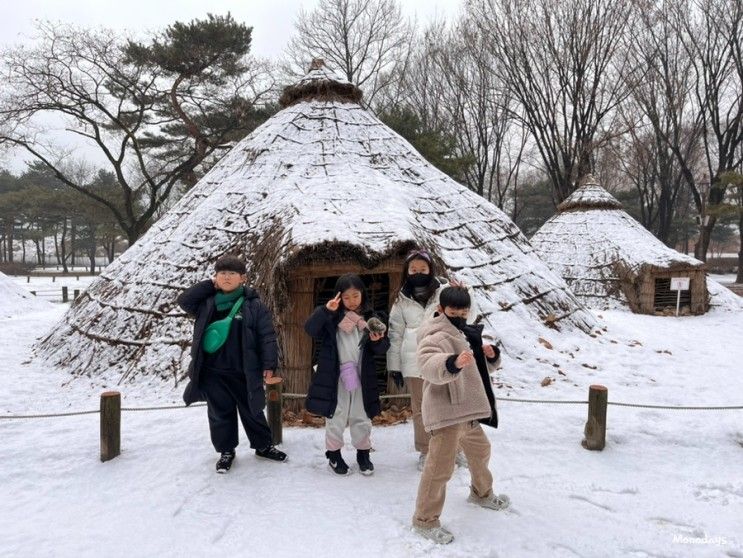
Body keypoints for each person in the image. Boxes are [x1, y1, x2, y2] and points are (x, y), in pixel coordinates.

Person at [412, 286, 509, 545]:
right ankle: (425, 519)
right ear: (442, 309)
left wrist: (490, 356)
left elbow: (475, 366)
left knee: (480, 452)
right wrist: (451, 363)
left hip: (468, 410)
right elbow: (428, 363)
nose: (459, 315)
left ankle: (481, 492)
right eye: (454, 311)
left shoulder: (464, 331)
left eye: (464, 311)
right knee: (440, 468)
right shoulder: (435, 334)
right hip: (447, 412)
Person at [177, 255, 287, 473]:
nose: (227, 277)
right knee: (220, 413)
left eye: (232, 273)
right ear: (216, 277)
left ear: (243, 278)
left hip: (244, 371)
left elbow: (267, 335)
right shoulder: (207, 304)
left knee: (252, 410)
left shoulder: (253, 305)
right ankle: (226, 451)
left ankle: (263, 446)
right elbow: (184, 301)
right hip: (213, 372)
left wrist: (268, 364)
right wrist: (209, 285)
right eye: (222, 273)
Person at [387, 249, 479, 471]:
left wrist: (467, 293)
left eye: (423, 269)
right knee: (421, 408)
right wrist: (394, 366)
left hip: (444, 356)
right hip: (414, 361)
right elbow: (395, 333)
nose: (418, 273)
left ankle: (455, 449)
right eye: (413, 270)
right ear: (406, 272)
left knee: (451, 403)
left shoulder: (445, 292)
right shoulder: (401, 299)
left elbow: (470, 316)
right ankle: (426, 450)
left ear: (431, 270)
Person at [304, 273, 390, 476]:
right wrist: (326, 311)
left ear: (363, 295)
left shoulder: (372, 319)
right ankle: (333, 455)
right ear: (339, 297)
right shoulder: (330, 316)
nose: (351, 301)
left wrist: (377, 341)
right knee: (337, 415)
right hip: (337, 375)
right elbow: (310, 329)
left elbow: (383, 347)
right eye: (346, 297)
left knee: (362, 415)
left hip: (362, 375)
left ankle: (363, 453)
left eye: (355, 296)